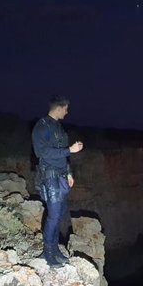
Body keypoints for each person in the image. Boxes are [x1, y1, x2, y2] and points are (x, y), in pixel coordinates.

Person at [31, 96, 83, 267]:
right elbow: (43, 153)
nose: (67, 112)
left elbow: (63, 154)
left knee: (58, 213)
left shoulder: (58, 127)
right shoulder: (42, 127)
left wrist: (68, 173)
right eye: (66, 108)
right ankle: (47, 253)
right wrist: (70, 149)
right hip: (49, 176)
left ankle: (54, 249)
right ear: (59, 108)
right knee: (53, 215)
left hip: (60, 176)